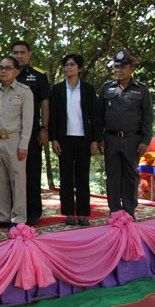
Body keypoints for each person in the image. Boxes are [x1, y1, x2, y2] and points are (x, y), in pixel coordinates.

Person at [99, 49, 153, 220]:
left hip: (133, 139)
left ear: (131, 69)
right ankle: (114, 211)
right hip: (111, 139)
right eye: (115, 67)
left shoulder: (141, 89)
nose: (117, 70)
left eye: (122, 67)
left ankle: (129, 211)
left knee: (131, 175)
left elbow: (147, 117)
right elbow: (99, 116)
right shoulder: (107, 87)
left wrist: (145, 140)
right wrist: (98, 139)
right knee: (112, 175)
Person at [0, 56, 33, 228]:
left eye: (7, 68)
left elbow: (28, 121)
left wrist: (24, 145)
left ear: (16, 72)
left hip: (14, 140)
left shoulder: (24, 92)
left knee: (17, 182)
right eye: (1, 68)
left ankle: (19, 218)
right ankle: (2, 216)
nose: (3, 71)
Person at [49, 54, 101, 226]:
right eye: (66, 65)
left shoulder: (87, 89)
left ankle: (84, 213)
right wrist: (54, 138)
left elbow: (95, 116)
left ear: (79, 68)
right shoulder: (57, 89)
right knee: (65, 177)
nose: (68, 68)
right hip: (64, 139)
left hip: (83, 139)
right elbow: (53, 116)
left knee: (82, 176)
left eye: (72, 65)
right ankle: (69, 213)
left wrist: (95, 140)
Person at [12, 40, 50, 226]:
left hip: (33, 130)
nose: (18, 56)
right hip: (10, 131)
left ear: (29, 54)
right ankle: (15, 211)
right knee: (13, 172)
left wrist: (45, 128)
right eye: (15, 52)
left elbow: (44, 103)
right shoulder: (7, 73)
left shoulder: (38, 76)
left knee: (32, 171)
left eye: (22, 52)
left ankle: (33, 212)